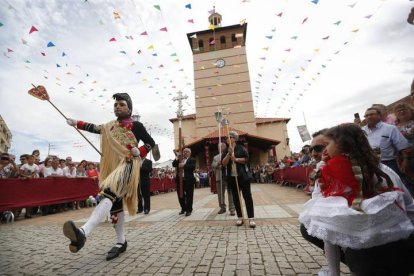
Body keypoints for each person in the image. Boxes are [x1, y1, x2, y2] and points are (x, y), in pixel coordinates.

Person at [299, 123, 414, 276]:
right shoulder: (327, 172)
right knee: (316, 226)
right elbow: (328, 226)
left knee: (362, 255)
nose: (319, 152)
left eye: (325, 145)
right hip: (362, 240)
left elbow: (408, 207)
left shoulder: (379, 171)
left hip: (395, 239)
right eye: (312, 149)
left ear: (343, 144)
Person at [62, 93, 155, 261]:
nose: (117, 107)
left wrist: (140, 151)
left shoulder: (137, 125)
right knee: (115, 205)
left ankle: (83, 232)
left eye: (121, 104)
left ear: (129, 107)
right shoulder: (109, 126)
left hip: (128, 165)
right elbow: (96, 128)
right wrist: (77, 123)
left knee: (108, 193)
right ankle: (121, 242)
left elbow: (150, 142)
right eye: (115, 105)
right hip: (114, 167)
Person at [362, 107, 411, 178]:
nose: (369, 117)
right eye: (366, 116)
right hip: (371, 164)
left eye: (372, 114)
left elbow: (403, 146)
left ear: (379, 115)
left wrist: (405, 161)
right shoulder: (361, 131)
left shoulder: (390, 128)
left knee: (396, 183)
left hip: (389, 163)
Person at [222, 131, 256, 228]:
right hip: (232, 177)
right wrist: (229, 154)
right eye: (226, 137)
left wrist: (236, 159)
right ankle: (240, 217)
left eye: (229, 136)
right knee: (236, 198)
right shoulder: (226, 150)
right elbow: (223, 163)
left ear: (234, 138)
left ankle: (251, 218)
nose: (227, 138)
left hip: (243, 176)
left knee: (247, 197)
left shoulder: (241, 148)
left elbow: (246, 159)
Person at [211, 142, 235, 215]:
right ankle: (222, 207)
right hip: (219, 177)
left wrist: (223, 165)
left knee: (230, 193)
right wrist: (217, 164)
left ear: (224, 147)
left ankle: (232, 208)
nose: (220, 148)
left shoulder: (229, 154)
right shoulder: (215, 157)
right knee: (220, 194)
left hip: (228, 176)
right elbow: (213, 165)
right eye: (219, 147)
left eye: (221, 147)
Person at [172, 148, 196, 216]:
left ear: (189, 153)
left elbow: (192, 167)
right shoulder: (180, 159)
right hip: (180, 180)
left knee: (189, 196)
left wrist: (184, 165)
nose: (185, 153)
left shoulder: (192, 159)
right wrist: (177, 157)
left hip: (188, 180)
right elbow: (173, 164)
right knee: (180, 195)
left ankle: (189, 210)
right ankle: (183, 208)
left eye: (187, 152)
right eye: (184, 152)